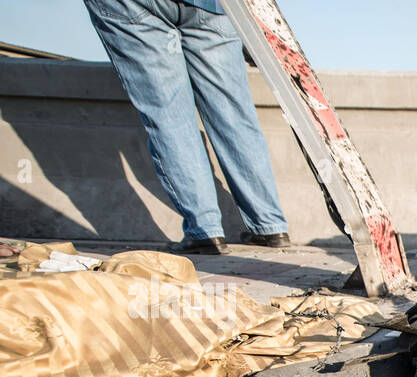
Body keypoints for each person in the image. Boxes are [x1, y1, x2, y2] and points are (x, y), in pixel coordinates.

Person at [83, 0, 290, 254]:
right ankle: (268, 225)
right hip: (214, 6)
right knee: (234, 114)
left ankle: (205, 232)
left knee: (170, 115)